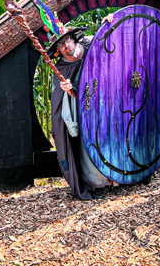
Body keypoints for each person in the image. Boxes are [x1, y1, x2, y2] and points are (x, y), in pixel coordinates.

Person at [47, 15, 114, 199]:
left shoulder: (93, 43)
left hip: (110, 103)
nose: (66, 45)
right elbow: (65, 99)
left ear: (73, 38)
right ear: (58, 50)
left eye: (67, 40)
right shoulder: (61, 69)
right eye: (60, 45)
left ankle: (121, 177)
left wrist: (111, 21)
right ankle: (100, 182)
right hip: (87, 110)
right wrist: (68, 90)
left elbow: (114, 40)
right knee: (91, 143)